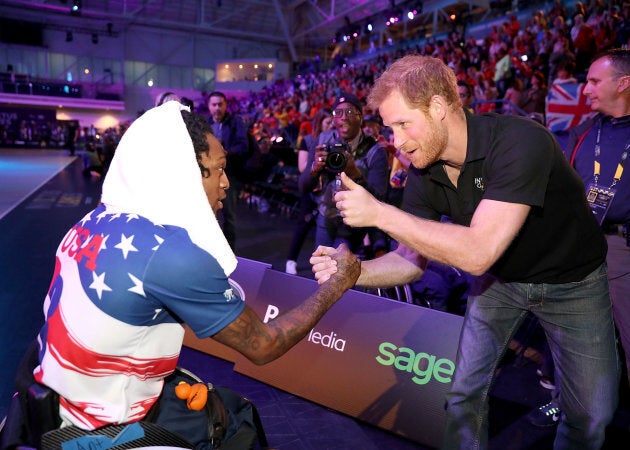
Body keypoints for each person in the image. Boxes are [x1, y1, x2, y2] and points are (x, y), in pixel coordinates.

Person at [310, 55, 619, 449]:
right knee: (463, 397)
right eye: (390, 128)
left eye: (404, 124)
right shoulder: (423, 171)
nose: (397, 141)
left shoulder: (520, 140)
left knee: (592, 415)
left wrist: (380, 213)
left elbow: (478, 253)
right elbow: (410, 261)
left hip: (573, 282)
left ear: (439, 108)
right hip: (500, 282)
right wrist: (355, 270)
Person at [25, 102, 360, 445]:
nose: (226, 184)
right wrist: (339, 283)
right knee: (240, 425)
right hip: (101, 429)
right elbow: (265, 346)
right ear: (183, 172)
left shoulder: (92, 221)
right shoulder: (171, 253)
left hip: (57, 402)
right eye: (218, 169)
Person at [530, 47, 630, 427]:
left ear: (622, 83)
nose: (584, 88)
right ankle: (567, 403)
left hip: (622, 248)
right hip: (580, 245)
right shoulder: (584, 131)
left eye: (593, 81)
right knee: (573, 336)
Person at [298, 91, 389, 255]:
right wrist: (314, 169)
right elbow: (303, 186)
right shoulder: (323, 141)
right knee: (321, 268)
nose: (343, 117)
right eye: (337, 112)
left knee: (339, 272)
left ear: (359, 117)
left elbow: (379, 199)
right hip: (326, 216)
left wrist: (355, 174)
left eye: (349, 112)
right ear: (333, 119)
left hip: (354, 220)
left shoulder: (375, 151)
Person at [285, 108, 333, 275]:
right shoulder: (308, 140)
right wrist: (318, 164)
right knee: (303, 224)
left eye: (332, 122)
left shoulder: (336, 142)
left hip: (327, 191)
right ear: (320, 124)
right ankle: (291, 260)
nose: (331, 126)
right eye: (328, 123)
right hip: (311, 189)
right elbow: (301, 167)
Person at [207, 91, 251, 249]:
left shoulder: (235, 122)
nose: (217, 108)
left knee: (229, 215)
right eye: (214, 104)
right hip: (207, 176)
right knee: (208, 215)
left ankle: (230, 253)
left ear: (225, 105)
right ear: (209, 106)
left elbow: (243, 146)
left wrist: (227, 152)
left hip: (229, 174)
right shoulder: (205, 123)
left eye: (220, 104)